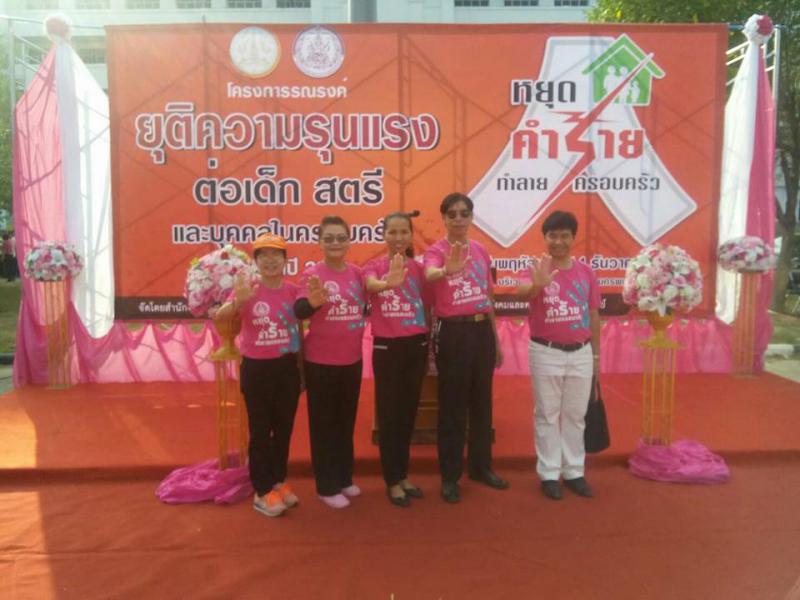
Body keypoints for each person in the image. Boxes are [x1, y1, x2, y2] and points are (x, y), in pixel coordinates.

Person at [423, 192, 508, 504]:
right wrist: (447, 270)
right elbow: (430, 274)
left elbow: (488, 296)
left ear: (471, 217)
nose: (459, 219)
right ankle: (450, 476)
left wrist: (496, 340)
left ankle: (481, 467)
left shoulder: (482, 251)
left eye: (464, 213)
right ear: (444, 219)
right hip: (453, 333)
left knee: (482, 403)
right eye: (452, 214)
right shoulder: (435, 251)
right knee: (453, 407)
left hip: (481, 330)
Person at [216, 233, 302, 518]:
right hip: (257, 369)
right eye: (263, 255)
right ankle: (262, 490)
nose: (270, 260)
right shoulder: (247, 289)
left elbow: (307, 312)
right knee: (261, 430)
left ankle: (277, 480)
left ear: (285, 260)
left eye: (276, 255)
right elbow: (220, 316)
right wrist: (236, 303)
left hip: (287, 368)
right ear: (256, 261)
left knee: (284, 428)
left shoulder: (293, 291)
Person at [517, 210, 601, 500]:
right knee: (547, 414)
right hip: (546, 351)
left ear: (573, 238)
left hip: (581, 353)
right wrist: (537, 285)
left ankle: (574, 471)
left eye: (565, 236)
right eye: (553, 236)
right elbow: (521, 293)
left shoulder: (587, 272)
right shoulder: (536, 267)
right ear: (545, 237)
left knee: (576, 415)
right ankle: (550, 473)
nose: (559, 241)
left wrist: (596, 357)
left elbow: (593, 314)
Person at [294, 216, 367, 509]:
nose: (335, 243)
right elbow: (299, 309)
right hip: (321, 363)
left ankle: (344, 477)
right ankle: (326, 486)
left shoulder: (358, 274)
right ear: (320, 243)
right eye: (329, 238)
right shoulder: (313, 275)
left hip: (352, 359)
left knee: (345, 423)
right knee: (324, 425)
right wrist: (312, 303)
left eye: (341, 237)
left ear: (349, 242)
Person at [364, 211, 428, 508]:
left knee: (407, 414)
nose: (399, 237)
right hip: (386, 347)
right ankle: (391, 480)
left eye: (404, 232)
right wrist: (387, 283)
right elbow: (369, 285)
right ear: (384, 235)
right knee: (389, 415)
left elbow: (429, 304)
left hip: (416, 345)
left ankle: (403, 475)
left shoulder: (420, 268)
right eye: (393, 232)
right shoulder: (374, 267)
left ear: (411, 235)